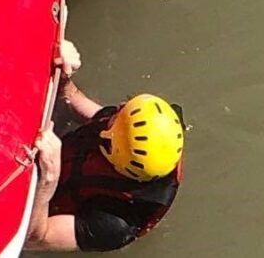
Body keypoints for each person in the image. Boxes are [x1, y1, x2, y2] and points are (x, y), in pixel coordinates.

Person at [27, 39, 184, 251]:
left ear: (111, 146)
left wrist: (48, 180)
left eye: (118, 115)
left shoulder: (112, 224)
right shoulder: (136, 136)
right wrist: (63, 75)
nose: (118, 106)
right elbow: (72, 97)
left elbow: (36, 238)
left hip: (52, 199)